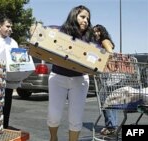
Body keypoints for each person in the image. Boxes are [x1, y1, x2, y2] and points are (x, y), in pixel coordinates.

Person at [47, 5, 94, 141]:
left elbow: (103, 43)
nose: (85, 20)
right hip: (58, 77)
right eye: (82, 17)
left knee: (76, 117)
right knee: (54, 115)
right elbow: (44, 31)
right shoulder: (61, 31)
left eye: (88, 19)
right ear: (74, 16)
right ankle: (53, 138)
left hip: (80, 80)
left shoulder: (89, 36)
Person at [93, 24, 117, 135]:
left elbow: (111, 54)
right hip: (108, 74)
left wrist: (100, 61)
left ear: (103, 32)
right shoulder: (104, 41)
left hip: (106, 74)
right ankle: (112, 126)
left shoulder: (104, 41)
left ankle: (111, 126)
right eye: (95, 32)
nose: (96, 33)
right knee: (110, 100)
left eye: (98, 31)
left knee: (105, 100)